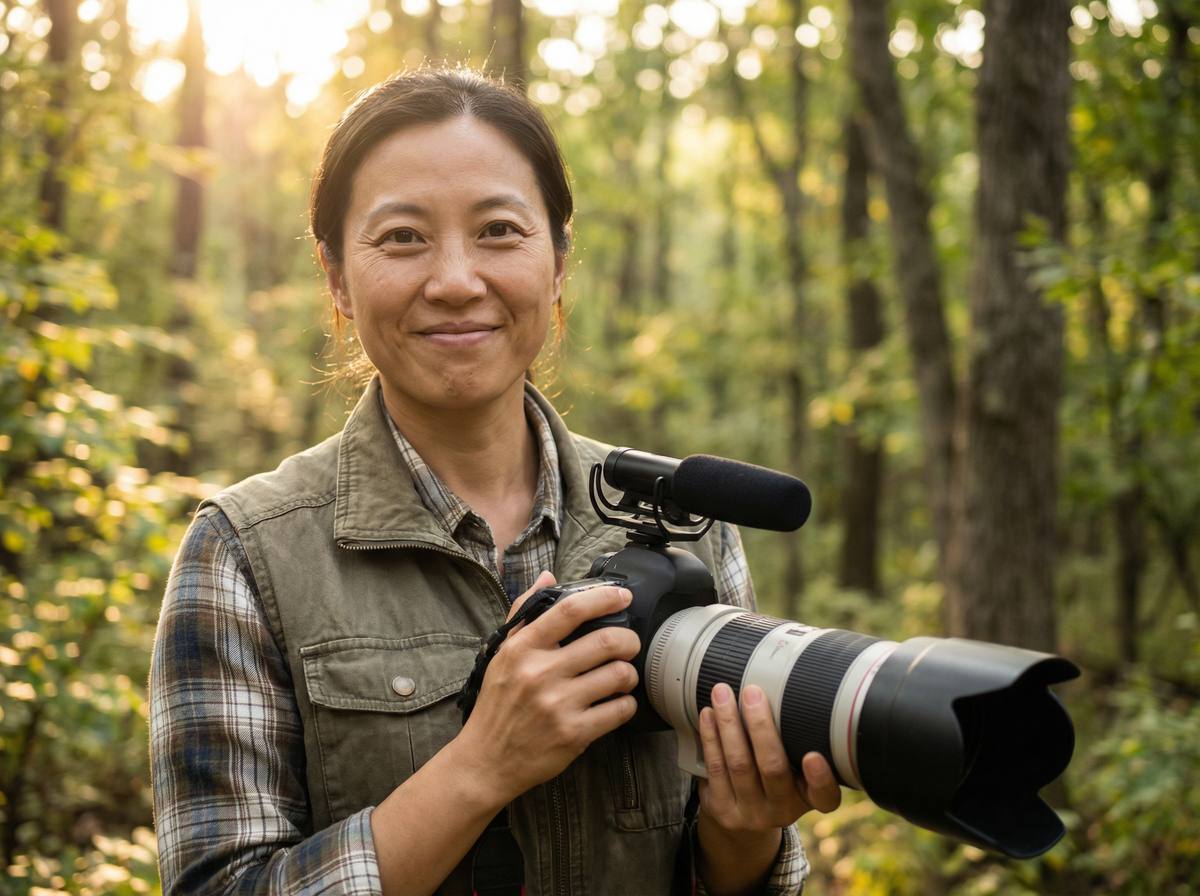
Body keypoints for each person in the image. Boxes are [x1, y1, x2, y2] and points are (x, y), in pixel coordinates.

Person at [149, 68, 840, 896]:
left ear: (556, 262)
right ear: (336, 276)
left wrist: (743, 835)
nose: (454, 280)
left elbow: (740, 880)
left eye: (500, 231)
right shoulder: (244, 555)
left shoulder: (684, 527)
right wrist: (480, 768)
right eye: (403, 237)